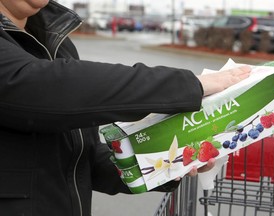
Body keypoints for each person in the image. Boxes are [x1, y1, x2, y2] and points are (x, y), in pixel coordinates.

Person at [0, 0, 251, 216]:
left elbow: (85, 160)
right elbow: (42, 85)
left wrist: (169, 161)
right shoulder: (36, 63)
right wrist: (190, 85)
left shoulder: (58, 45)